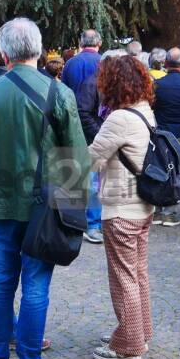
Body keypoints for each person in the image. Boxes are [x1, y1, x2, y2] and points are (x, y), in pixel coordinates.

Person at [0, 17, 89, 359]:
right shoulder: (59, 93)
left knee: (2, 285)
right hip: (44, 208)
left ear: (3, 53)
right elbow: (76, 158)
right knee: (35, 286)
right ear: (37, 50)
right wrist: (72, 214)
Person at [87, 55, 156, 359]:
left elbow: (91, 158)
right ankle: (139, 331)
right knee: (137, 273)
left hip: (121, 209)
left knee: (123, 277)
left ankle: (128, 346)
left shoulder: (119, 118)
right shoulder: (144, 111)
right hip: (142, 207)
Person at [63, 30, 104, 245]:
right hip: (98, 125)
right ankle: (93, 223)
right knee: (95, 175)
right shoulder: (105, 62)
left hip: (75, 123)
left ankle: (73, 219)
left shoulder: (71, 64)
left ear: (80, 43)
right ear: (99, 43)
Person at [151, 47, 180, 226]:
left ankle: (157, 209)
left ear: (166, 64)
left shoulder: (158, 85)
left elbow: (153, 105)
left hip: (161, 133)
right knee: (178, 170)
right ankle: (170, 212)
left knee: (158, 168)